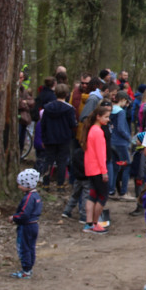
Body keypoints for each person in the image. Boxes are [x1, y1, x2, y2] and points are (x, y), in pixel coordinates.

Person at [40, 84, 77, 187]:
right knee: (62, 162)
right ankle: (60, 184)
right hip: (64, 138)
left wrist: (43, 138)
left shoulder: (47, 108)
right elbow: (72, 124)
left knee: (48, 160)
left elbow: (43, 124)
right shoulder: (69, 109)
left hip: (50, 137)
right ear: (66, 94)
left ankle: (45, 183)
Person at [83, 105, 112, 233]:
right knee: (102, 196)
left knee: (92, 195)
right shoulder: (98, 132)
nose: (108, 119)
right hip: (98, 169)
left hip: (90, 168)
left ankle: (89, 223)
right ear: (98, 117)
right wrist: (104, 171)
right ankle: (95, 223)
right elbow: (101, 154)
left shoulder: (91, 130)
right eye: (106, 117)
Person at [10, 169, 43, 279]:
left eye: (21, 184)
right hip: (34, 225)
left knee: (24, 247)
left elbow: (24, 214)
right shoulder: (36, 197)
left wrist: (14, 218)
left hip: (27, 226)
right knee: (31, 246)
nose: (19, 186)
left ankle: (26, 270)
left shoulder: (29, 198)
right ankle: (29, 268)